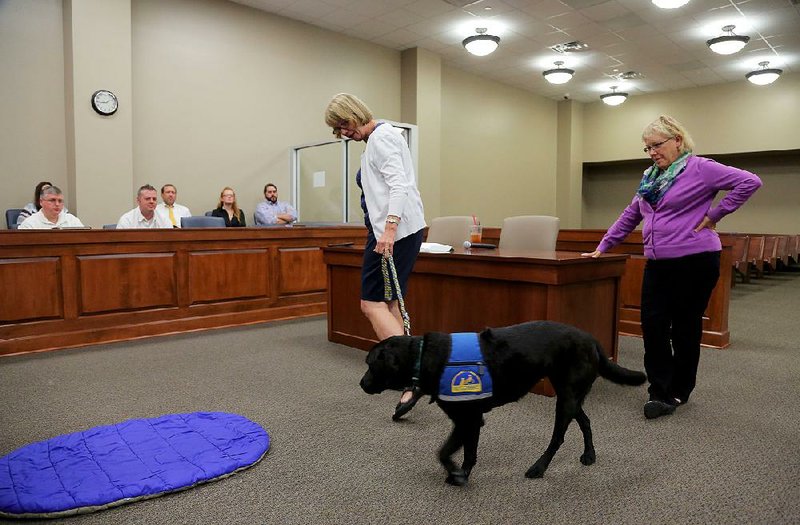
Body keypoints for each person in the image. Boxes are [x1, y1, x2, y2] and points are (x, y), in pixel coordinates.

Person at [581, 115, 761, 419]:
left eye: (657, 145)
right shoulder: (649, 177)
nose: (652, 152)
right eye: (647, 147)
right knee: (652, 327)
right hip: (658, 263)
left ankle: (678, 390)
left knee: (685, 329)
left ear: (677, 140)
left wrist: (717, 213)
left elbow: (750, 181)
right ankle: (659, 390)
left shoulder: (700, 168)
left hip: (695, 261)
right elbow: (631, 214)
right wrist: (604, 245)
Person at [324, 93, 426, 420]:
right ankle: (414, 377)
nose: (343, 132)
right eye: (338, 129)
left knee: (370, 303)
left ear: (356, 114)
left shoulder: (382, 138)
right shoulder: (380, 138)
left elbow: (400, 186)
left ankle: (415, 373)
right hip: (394, 231)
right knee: (391, 303)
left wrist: (389, 230)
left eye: (344, 125)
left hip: (392, 233)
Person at [18, 185, 84, 229]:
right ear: (41, 202)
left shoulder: (72, 220)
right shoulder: (29, 224)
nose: (57, 204)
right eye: (52, 200)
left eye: (60, 201)